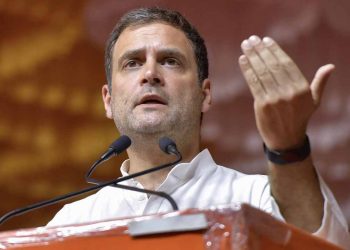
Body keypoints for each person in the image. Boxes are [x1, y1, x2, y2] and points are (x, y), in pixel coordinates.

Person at [47, 7, 349, 247]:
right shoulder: (71, 223)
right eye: (133, 63)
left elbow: (322, 245)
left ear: (205, 95)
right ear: (108, 101)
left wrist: (288, 146)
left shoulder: (255, 198)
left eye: (170, 61)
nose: (150, 73)